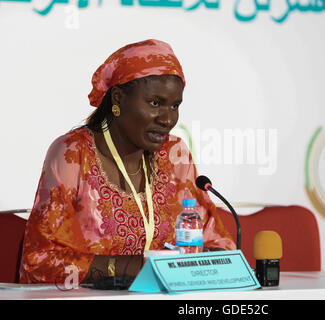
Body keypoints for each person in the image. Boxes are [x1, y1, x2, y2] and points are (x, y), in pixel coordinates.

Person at [19, 39, 236, 284]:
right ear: (119, 98)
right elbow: (40, 260)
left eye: (175, 106)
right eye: (155, 103)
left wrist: (195, 263)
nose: (167, 119)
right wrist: (138, 266)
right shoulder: (72, 154)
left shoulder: (175, 153)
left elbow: (220, 247)